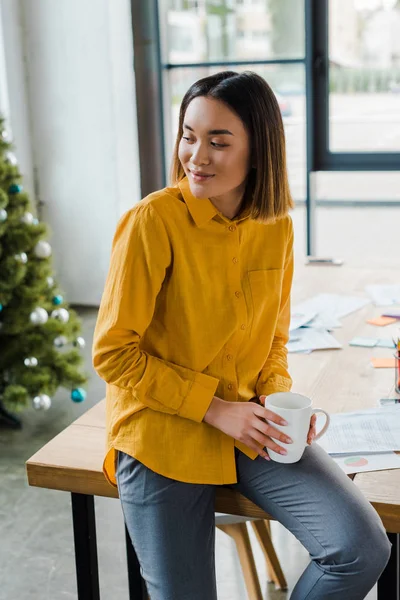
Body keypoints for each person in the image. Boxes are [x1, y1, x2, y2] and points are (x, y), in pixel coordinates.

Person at [92, 71, 390, 600]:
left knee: (360, 548)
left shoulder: (276, 225)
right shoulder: (151, 222)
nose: (196, 155)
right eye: (189, 135)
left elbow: (274, 337)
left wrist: (277, 397)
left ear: (259, 149)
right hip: (160, 434)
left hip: (246, 424)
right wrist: (213, 407)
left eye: (218, 141)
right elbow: (114, 355)